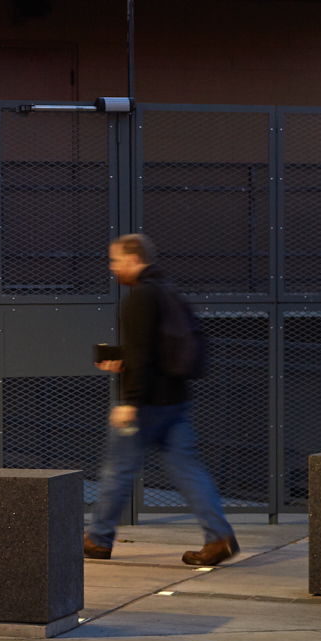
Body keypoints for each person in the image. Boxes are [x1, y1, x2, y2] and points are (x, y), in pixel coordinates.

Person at [84, 231, 239, 568]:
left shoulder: (140, 298)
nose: (113, 268)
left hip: (145, 406)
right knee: (189, 470)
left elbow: (141, 355)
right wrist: (122, 358)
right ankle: (219, 537)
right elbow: (155, 350)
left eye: (115, 260)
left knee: (117, 470)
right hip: (175, 401)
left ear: (132, 258)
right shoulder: (168, 291)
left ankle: (97, 539)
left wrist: (129, 402)